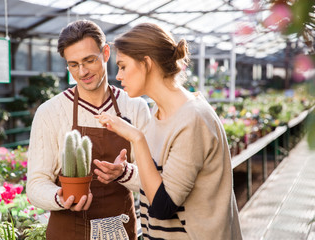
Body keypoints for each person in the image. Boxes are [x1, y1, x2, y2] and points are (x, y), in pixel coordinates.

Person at [94, 23, 243, 239]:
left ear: (146, 63)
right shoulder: (160, 111)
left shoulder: (192, 118)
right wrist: (124, 172)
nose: (118, 76)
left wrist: (137, 137)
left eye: (123, 66)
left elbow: (164, 206)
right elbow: (162, 180)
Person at [26, 20, 151, 240]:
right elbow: (36, 184)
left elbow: (154, 179)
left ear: (105, 53)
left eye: (89, 60)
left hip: (119, 230)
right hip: (68, 231)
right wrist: (60, 197)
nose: (82, 71)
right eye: (73, 64)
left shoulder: (134, 106)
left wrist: (124, 173)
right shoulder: (50, 112)